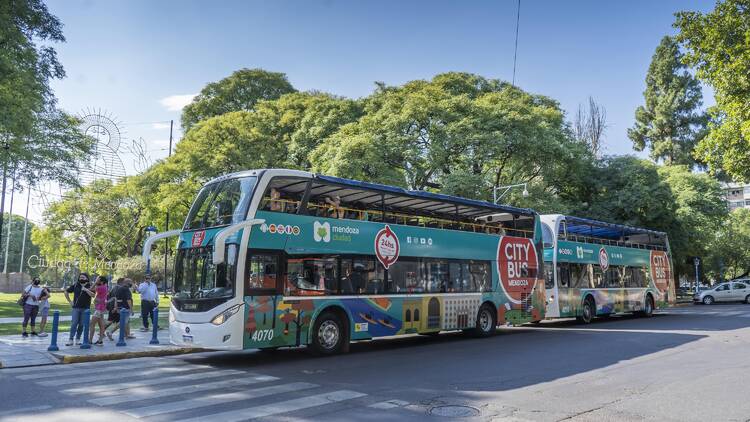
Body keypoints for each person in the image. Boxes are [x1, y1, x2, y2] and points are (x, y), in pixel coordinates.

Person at [64, 273, 93, 346]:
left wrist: (86, 290)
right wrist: (70, 301)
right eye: (80, 277)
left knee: (81, 324)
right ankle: (70, 339)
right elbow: (66, 291)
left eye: (83, 277)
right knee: (74, 323)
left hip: (85, 309)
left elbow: (93, 295)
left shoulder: (90, 285)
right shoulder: (76, 285)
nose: (81, 278)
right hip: (76, 308)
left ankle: (78, 339)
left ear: (86, 278)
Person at [88, 275, 109, 345]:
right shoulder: (104, 287)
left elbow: (90, 289)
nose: (96, 280)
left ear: (102, 282)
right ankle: (100, 340)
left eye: (97, 279)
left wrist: (94, 283)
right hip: (101, 307)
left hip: (99, 308)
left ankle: (90, 340)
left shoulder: (100, 287)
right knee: (101, 324)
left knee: (92, 323)